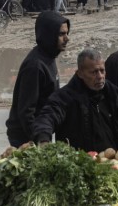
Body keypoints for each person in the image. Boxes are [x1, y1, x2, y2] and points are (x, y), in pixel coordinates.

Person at [33, 48, 118, 152]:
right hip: (80, 163)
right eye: (93, 72)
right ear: (80, 73)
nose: (100, 76)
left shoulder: (113, 94)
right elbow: (47, 117)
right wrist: (43, 139)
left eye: (102, 71)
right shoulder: (65, 97)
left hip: (114, 161)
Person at [6, 11, 71, 146]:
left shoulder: (49, 56)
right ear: (49, 35)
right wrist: (39, 140)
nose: (67, 38)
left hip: (41, 129)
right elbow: (26, 111)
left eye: (67, 33)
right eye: (61, 34)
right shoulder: (35, 66)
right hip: (25, 136)